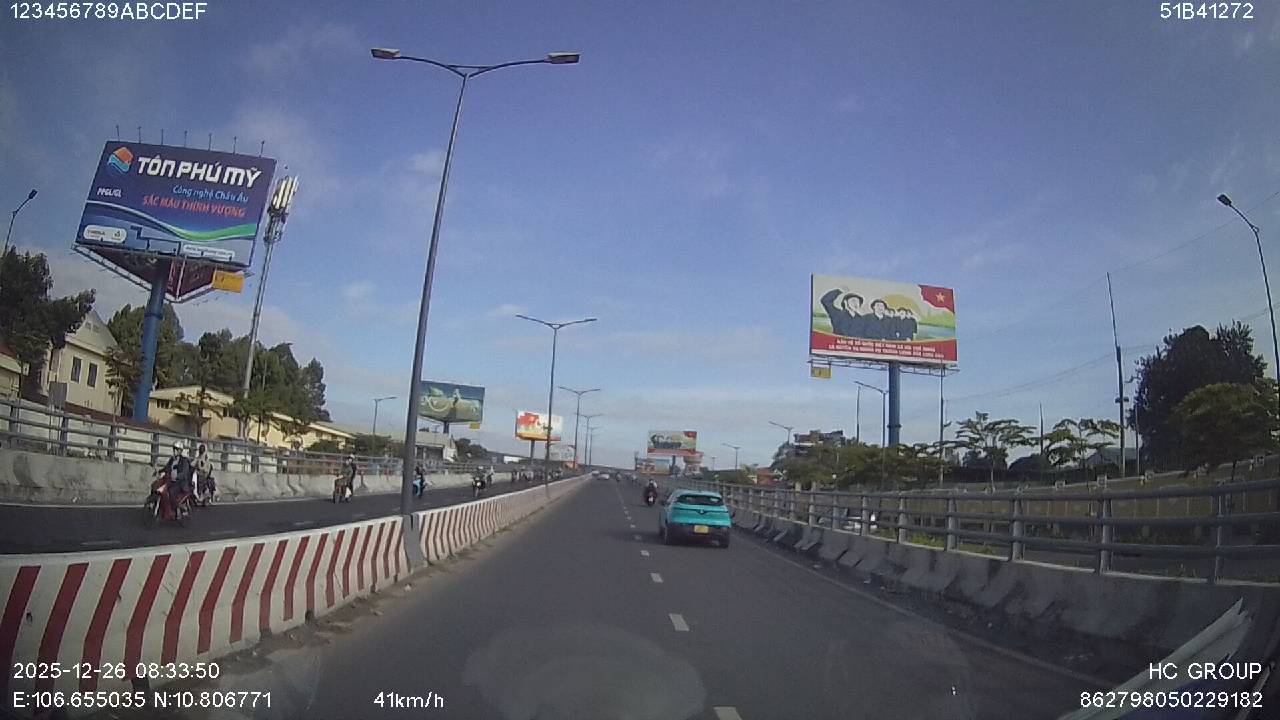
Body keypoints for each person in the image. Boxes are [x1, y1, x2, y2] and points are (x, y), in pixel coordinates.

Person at [159, 441, 192, 516]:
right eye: (174, 449)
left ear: (180, 451)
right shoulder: (172, 459)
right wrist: (159, 471)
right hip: (171, 481)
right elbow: (166, 468)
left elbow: (184, 472)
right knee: (161, 487)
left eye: (177, 449)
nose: (175, 451)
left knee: (171, 492)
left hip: (180, 483)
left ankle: (175, 508)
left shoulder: (184, 460)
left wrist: (177, 476)